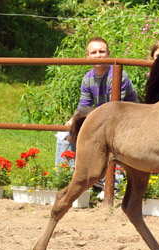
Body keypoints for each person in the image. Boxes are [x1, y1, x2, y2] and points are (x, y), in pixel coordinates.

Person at [55, 37, 139, 189]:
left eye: (102, 51)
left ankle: (114, 183)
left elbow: (115, 108)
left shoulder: (118, 75)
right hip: (102, 120)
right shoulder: (87, 79)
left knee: (106, 141)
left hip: (127, 123)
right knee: (65, 135)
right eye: (94, 52)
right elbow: (84, 106)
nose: (98, 55)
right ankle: (64, 179)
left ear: (109, 54)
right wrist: (73, 121)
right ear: (87, 56)